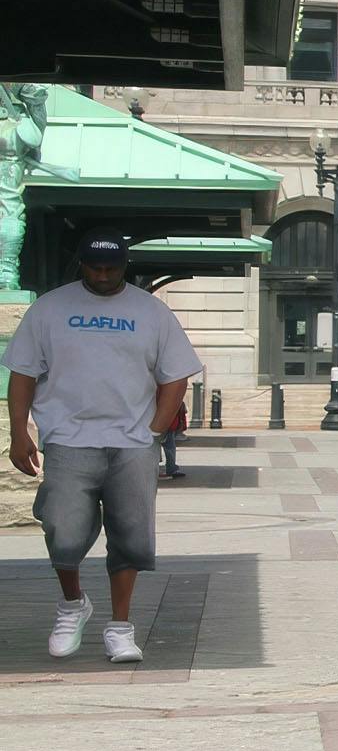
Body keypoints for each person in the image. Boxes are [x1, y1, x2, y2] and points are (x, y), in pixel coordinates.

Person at [6, 234, 199, 664]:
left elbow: (176, 375)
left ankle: (120, 627)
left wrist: (153, 430)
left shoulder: (151, 312)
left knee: (130, 535)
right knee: (62, 529)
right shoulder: (50, 309)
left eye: (112, 268)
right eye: (96, 268)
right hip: (69, 439)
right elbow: (21, 374)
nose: (104, 275)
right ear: (82, 265)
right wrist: (20, 432)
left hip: (132, 442)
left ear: (125, 266)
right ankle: (73, 604)